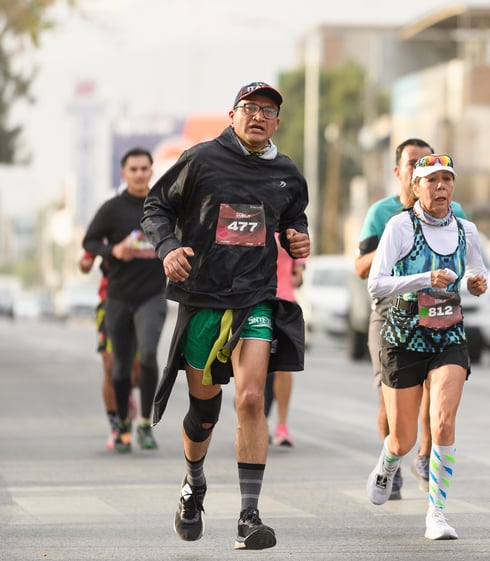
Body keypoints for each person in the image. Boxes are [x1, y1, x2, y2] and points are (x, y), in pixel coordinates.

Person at [141, 81, 310, 551]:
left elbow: (295, 215)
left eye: (268, 111)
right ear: (232, 115)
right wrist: (169, 247)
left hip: (255, 296)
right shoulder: (201, 159)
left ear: (277, 122)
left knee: (252, 398)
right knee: (204, 411)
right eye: (250, 108)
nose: (259, 116)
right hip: (204, 297)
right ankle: (193, 482)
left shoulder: (287, 172)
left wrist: (299, 236)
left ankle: (249, 516)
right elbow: (155, 206)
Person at [365, 154, 487, 540]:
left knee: (443, 420)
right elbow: (376, 283)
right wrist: (423, 279)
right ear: (415, 187)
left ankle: (436, 513)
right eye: (431, 181)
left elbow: (477, 270)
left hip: (448, 334)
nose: (440, 188)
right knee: (403, 438)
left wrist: (477, 282)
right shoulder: (400, 226)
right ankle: (387, 463)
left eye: (447, 180)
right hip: (403, 336)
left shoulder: (467, 230)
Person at [355, 138, 468, 498]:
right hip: (392, 313)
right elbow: (362, 270)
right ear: (401, 172)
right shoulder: (383, 214)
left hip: (440, 313)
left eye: (440, 174)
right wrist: (401, 244)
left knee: (438, 398)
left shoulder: (457, 213)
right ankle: (394, 456)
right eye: (416, 164)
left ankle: (425, 458)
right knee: (392, 404)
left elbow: (464, 259)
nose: (433, 178)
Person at [82, 148, 168, 453]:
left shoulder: (162, 205)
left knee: (146, 356)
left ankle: (145, 423)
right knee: (119, 368)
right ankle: (122, 425)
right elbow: (89, 242)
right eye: (134, 169)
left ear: (151, 171)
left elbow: (183, 235)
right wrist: (113, 251)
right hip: (118, 297)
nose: (140, 174)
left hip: (152, 296)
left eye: (145, 168)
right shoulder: (112, 209)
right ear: (124, 174)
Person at [78, 251, 140, 450]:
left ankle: (126, 394)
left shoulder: (149, 222)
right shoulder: (107, 222)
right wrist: (86, 262)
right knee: (110, 365)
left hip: (142, 301)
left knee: (137, 371)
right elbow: (84, 263)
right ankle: (116, 427)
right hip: (110, 302)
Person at [263, 236, 306, 447]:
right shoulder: (252, 218)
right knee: (258, 366)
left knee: (283, 367)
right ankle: (257, 419)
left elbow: (298, 276)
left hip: (285, 303)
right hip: (256, 300)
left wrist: (297, 268)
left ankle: (282, 426)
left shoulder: (291, 226)